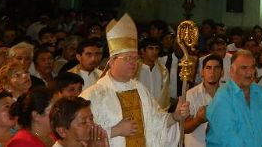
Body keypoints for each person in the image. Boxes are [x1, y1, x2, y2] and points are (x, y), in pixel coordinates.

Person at [79, 14, 189, 147]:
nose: (133, 63)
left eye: (135, 58)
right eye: (127, 58)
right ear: (112, 61)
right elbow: (78, 134)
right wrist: (115, 130)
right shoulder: (93, 95)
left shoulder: (140, 89)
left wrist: (174, 117)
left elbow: (156, 122)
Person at [205, 50, 262, 147]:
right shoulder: (223, 97)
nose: (250, 72)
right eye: (244, 68)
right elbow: (229, 139)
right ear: (232, 71)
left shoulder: (261, 93)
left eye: (252, 67)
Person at [183, 54, 223, 147]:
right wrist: (198, 120)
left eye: (216, 68)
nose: (212, 72)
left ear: (222, 72)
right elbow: (183, 128)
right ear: (202, 72)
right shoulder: (190, 94)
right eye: (208, 68)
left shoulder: (227, 95)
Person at [134, 39, 169, 110]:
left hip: (158, 111)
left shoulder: (163, 70)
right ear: (142, 51)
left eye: (157, 49)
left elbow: (165, 94)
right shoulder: (135, 69)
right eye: (151, 48)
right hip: (140, 110)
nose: (154, 52)